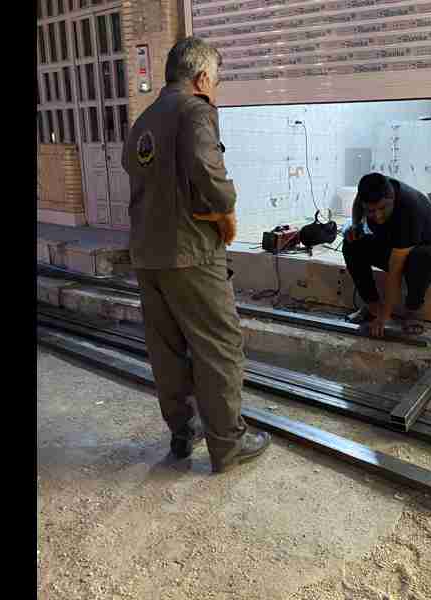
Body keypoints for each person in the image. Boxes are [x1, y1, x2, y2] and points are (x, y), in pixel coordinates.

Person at [122, 36, 270, 472]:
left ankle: (183, 432)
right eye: (216, 81)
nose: (215, 89)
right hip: (191, 253)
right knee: (219, 346)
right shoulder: (195, 111)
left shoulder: (144, 121)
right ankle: (228, 444)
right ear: (203, 77)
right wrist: (226, 210)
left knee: (167, 349)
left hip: (147, 254)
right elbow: (209, 174)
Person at [342, 173, 431, 337]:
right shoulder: (367, 193)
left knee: (421, 259)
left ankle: (412, 312)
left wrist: (384, 317)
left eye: (382, 208)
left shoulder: (409, 208)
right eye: (371, 211)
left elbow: (395, 271)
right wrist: (356, 226)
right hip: (393, 244)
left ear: (392, 198)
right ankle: (372, 307)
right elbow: (358, 205)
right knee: (352, 244)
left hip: (430, 252)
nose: (377, 216)